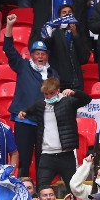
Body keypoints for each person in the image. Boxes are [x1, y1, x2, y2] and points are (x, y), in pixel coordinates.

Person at [5, 14, 60, 178]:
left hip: (45, 121)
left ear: (47, 56)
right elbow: (8, 49)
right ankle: (22, 187)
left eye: (43, 54)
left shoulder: (52, 73)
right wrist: (9, 26)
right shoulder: (22, 66)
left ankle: (41, 188)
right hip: (24, 120)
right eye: (37, 53)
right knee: (24, 156)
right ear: (31, 55)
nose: (40, 57)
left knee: (43, 158)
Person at [18, 77, 91, 187]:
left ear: (58, 90)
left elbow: (87, 99)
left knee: (73, 188)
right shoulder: (40, 105)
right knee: (42, 187)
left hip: (66, 154)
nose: (48, 97)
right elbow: (28, 110)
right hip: (46, 155)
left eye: (51, 93)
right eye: (46, 94)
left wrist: (75, 93)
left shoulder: (68, 101)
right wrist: (23, 113)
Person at [42, 4, 90, 91]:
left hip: (76, 81)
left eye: (69, 12)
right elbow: (46, 45)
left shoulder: (80, 32)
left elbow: (84, 58)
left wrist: (75, 34)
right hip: (60, 80)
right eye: (64, 13)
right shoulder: (54, 32)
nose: (67, 15)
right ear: (59, 16)